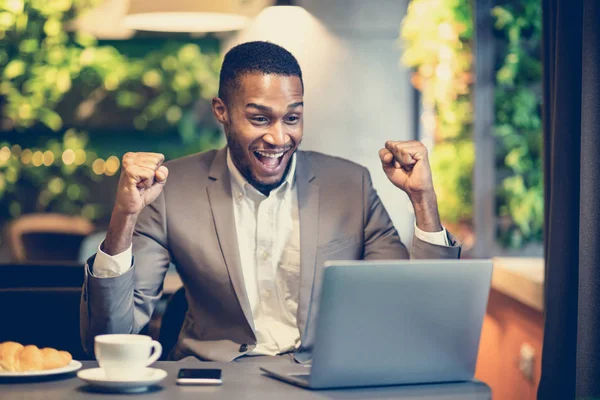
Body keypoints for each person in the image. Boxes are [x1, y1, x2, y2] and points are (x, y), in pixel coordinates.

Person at [80, 41, 461, 363]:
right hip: (214, 383)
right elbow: (110, 337)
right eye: (260, 119)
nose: (279, 138)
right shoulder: (172, 190)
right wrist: (125, 218)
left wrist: (423, 201)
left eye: (292, 118)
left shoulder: (351, 185)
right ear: (222, 112)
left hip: (319, 379)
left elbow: (415, 316)